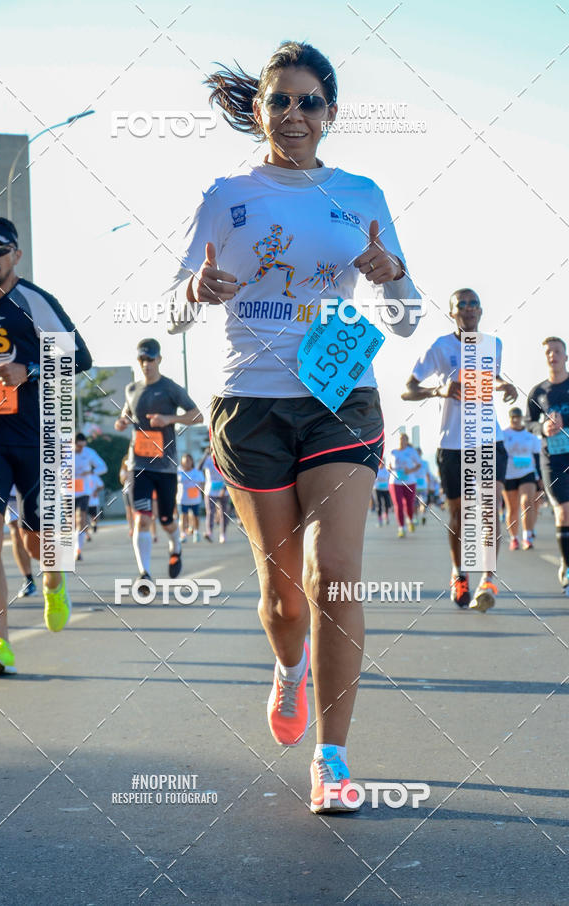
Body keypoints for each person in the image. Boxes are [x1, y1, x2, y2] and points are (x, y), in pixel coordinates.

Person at [168, 40, 420, 812]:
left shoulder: (362, 192)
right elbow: (175, 304)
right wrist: (199, 289)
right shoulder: (224, 193)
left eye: (311, 101)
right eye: (281, 100)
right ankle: (289, 669)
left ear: (332, 113)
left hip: (340, 394)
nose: (296, 114)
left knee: (332, 575)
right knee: (283, 601)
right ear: (259, 110)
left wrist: (390, 277)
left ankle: (333, 759)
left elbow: (408, 319)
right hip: (251, 404)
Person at [0, 216, 92, 674]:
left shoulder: (33, 301)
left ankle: (54, 582)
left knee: (38, 539)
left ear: (16, 255)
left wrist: (31, 371)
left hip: (39, 435)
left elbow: (81, 357)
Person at [402, 288, 516, 611]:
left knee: (490, 509)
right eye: (460, 305)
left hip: (489, 439)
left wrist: (503, 385)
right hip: (452, 443)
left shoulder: (493, 345)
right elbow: (407, 390)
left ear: (481, 310)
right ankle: (459, 572)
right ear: (452, 312)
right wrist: (439, 389)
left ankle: (488, 579)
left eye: (473, 304)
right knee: (459, 516)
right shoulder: (440, 347)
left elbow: (489, 379)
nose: (468, 309)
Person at [114, 338, 201, 585]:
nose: (146, 364)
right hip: (138, 464)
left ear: (159, 359)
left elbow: (197, 416)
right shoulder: (131, 389)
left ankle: (176, 547)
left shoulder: (171, 388)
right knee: (142, 518)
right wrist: (121, 423)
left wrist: (168, 419)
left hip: (165, 466)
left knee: (166, 520)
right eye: (142, 359)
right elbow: (125, 416)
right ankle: (145, 575)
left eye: (150, 359)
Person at [526, 337, 569, 593]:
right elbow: (530, 423)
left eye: (557, 351)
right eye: (548, 352)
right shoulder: (538, 392)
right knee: (563, 511)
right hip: (552, 459)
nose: (552, 355)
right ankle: (566, 564)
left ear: (565, 356)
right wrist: (543, 427)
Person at [502, 407, 541, 551]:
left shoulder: (530, 437)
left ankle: (527, 536)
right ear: (510, 418)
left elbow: (537, 456)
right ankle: (514, 538)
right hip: (509, 474)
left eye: (518, 417)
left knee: (527, 502)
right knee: (512, 508)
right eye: (513, 417)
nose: (516, 420)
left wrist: (540, 477)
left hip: (527, 472)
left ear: (522, 418)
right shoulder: (503, 435)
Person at [70, 433, 107, 562]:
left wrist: (91, 472)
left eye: (82, 446)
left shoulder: (89, 452)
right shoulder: (63, 452)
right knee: (71, 522)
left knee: (81, 519)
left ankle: (78, 549)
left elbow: (103, 467)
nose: (81, 449)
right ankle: (73, 545)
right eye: (78, 447)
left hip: (84, 491)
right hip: (68, 491)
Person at [387, 433, 422, 538]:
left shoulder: (411, 452)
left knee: (409, 504)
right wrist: (389, 468)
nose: (401, 441)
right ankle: (401, 528)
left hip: (410, 481)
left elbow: (419, 465)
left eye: (403, 439)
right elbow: (388, 466)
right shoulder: (393, 452)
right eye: (399, 439)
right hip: (395, 482)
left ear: (407, 441)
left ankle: (410, 520)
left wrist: (410, 470)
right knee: (398, 505)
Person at [5, 487, 36, 597]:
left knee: (37, 535)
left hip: (31, 485)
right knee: (15, 531)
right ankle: (28, 579)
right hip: (9, 490)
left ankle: (54, 575)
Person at [199, 446, 229, 542]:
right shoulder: (208, 459)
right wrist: (205, 455)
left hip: (223, 489)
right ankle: (209, 533)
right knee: (210, 512)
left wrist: (224, 489)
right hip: (210, 490)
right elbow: (199, 468)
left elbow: (228, 475)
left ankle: (223, 534)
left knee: (223, 513)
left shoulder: (224, 458)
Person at [177, 453, 204, 542]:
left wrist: (198, 488)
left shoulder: (197, 472)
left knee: (196, 517)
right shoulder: (178, 472)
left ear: (192, 461)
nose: (187, 462)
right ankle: (183, 535)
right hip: (182, 499)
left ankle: (196, 532)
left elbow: (202, 484)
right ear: (182, 462)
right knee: (182, 517)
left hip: (195, 499)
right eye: (185, 461)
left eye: (189, 460)